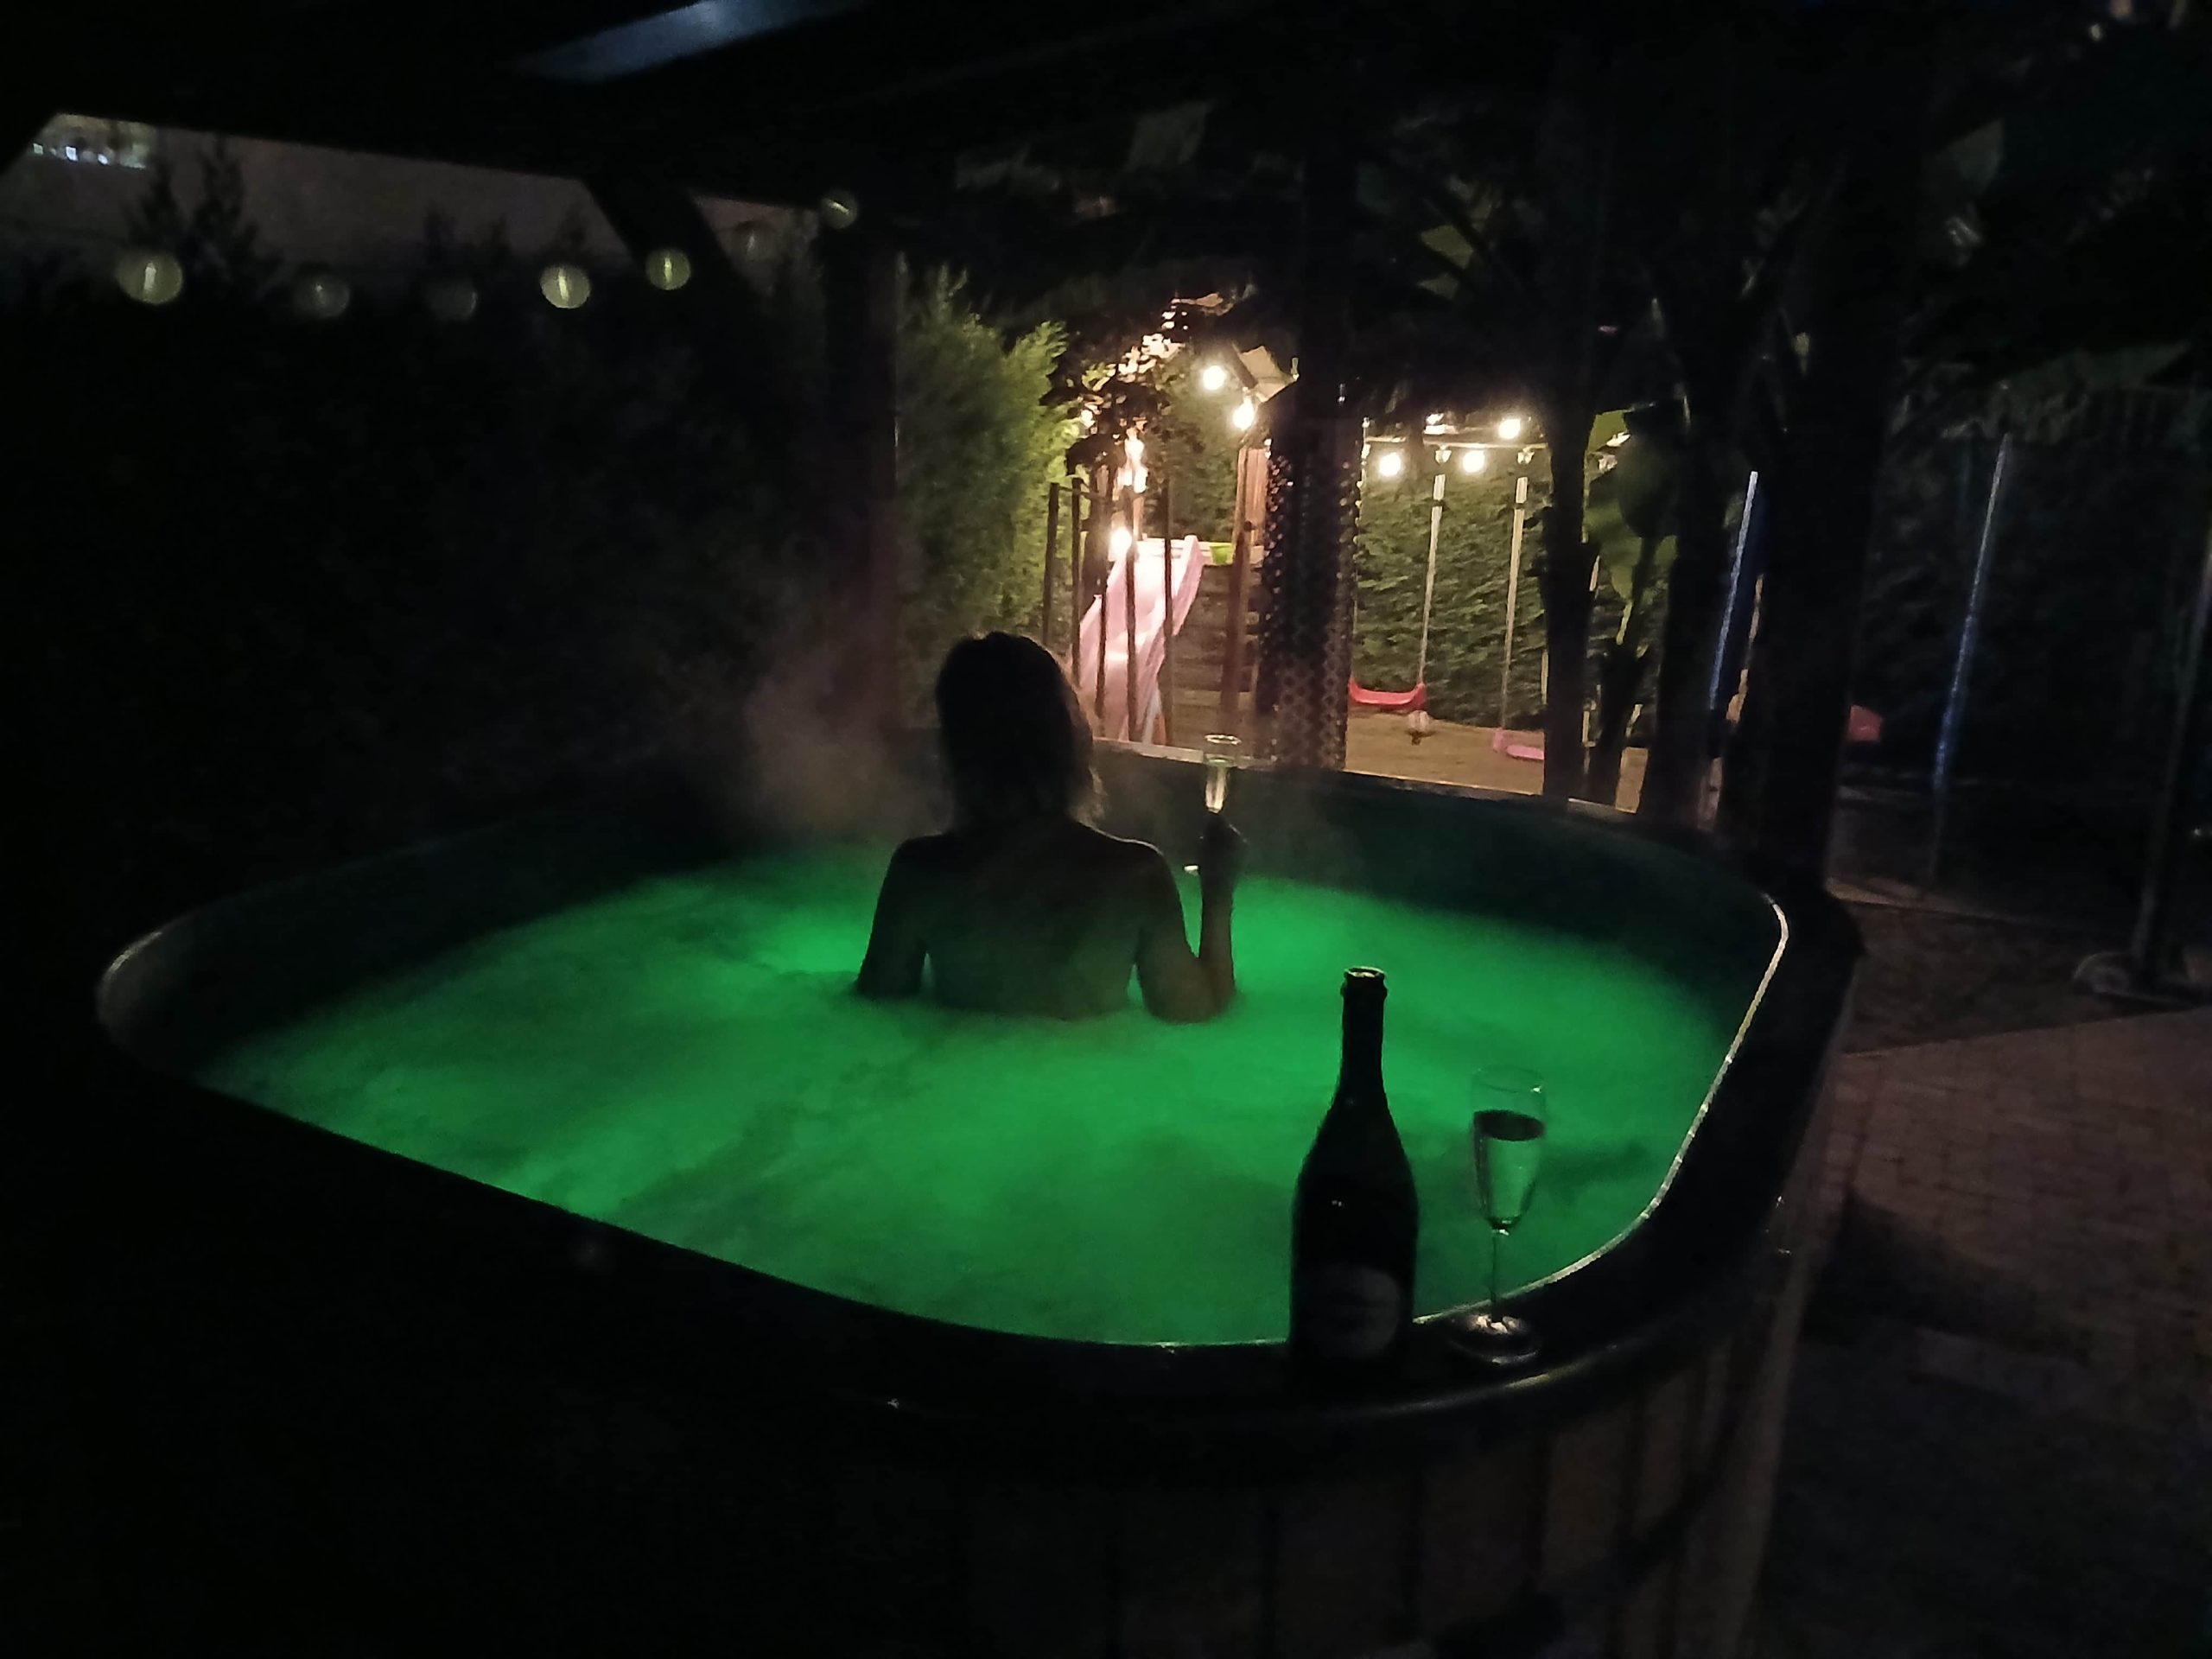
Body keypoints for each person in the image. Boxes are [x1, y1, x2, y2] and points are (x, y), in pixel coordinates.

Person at [857, 632, 1241, 1020]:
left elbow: (876, 1009)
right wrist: (1218, 892)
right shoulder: (1135, 876)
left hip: (951, 1057)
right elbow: (1194, 1013)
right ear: (1069, 740)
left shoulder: (920, 872)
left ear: (953, 749)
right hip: (1091, 1059)